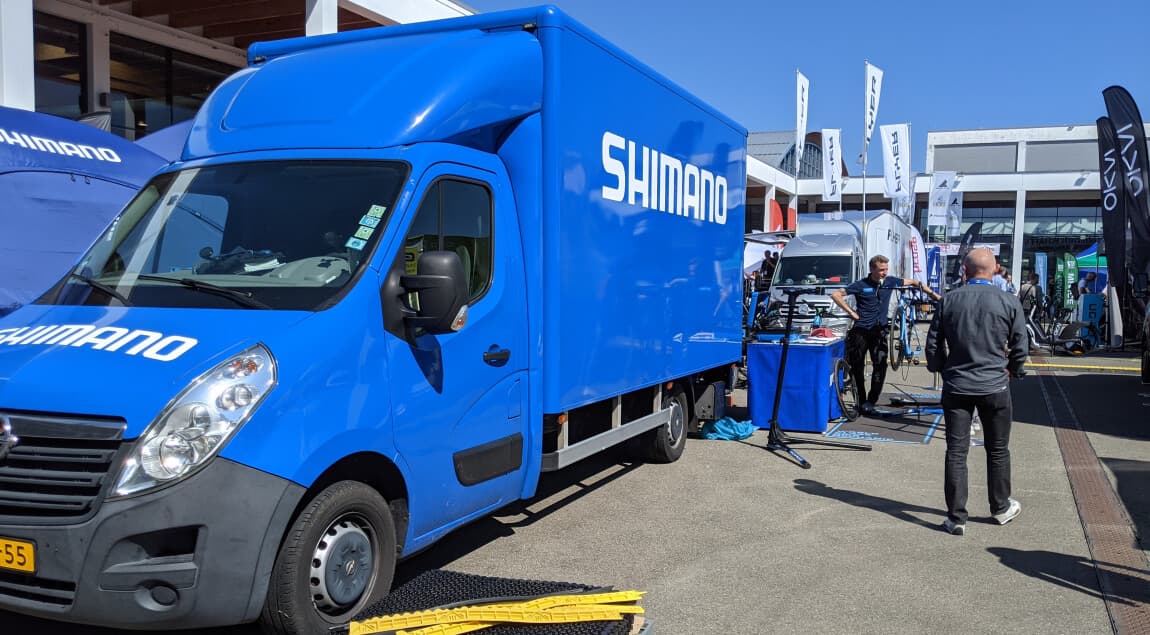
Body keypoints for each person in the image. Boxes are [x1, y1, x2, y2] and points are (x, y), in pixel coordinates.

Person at [925, 247, 1028, 536]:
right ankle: (1000, 507)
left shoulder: (948, 301)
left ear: (964, 271)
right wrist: (1014, 369)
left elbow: (933, 345)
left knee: (956, 452)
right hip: (994, 384)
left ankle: (956, 517)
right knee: (998, 449)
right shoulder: (1008, 301)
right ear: (995, 269)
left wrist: (942, 368)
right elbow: (1021, 345)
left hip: (957, 385)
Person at [831, 255, 941, 414]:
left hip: (879, 331)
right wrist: (851, 313)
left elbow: (914, 282)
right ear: (872, 269)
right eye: (881, 270)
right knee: (857, 367)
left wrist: (935, 296)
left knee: (881, 365)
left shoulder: (890, 282)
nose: (884, 272)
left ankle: (871, 400)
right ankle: (860, 401)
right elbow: (836, 295)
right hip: (860, 331)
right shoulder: (861, 285)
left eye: (886, 269)